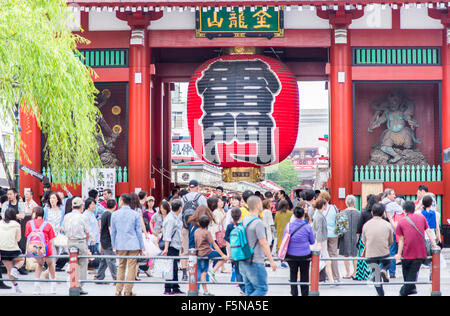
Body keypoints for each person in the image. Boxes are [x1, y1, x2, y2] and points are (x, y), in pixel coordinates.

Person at [395, 201, 439, 296]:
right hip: (420, 252)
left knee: (407, 273)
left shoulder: (401, 221)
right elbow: (429, 232)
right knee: (412, 274)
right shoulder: (421, 218)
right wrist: (434, 244)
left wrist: (399, 253)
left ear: (404, 210)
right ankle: (411, 289)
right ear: (414, 209)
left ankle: (403, 292)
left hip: (407, 252)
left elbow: (401, 240)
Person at [239, 196, 277, 296]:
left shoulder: (243, 220)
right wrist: (271, 260)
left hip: (243, 259)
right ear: (257, 205)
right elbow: (263, 243)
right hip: (255, 260)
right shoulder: (258, 223)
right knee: (262, 288)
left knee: (249, 289)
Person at [111, 193, 144, 296]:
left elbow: (113, 232)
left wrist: (114, 245)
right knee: (131, 267)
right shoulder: (135, 214)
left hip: (120, 243)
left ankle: (118, 290)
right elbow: (139, 231)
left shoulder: (115, 214)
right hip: (133, 243)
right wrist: (141, 246)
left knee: (121, 266)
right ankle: (127, 291)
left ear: (121, 201)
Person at [362, 203, 393, 296]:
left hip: (370, 254)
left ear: (372, 213)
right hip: (383, 252)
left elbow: (364, 241)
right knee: (388, 263)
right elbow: (391, 241)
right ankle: (384, 269)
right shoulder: (387, 225)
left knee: (375, 274)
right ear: (383, 213)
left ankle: (381, 294)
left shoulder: (366, 225)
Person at [283, 205, 315, 296]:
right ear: (303, 215)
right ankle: (304, 293)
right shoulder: (307, 227)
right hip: (304, 255)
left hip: (291, 255)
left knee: (293, 273)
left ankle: (294, 293)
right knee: (304, 274)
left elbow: (284, 240)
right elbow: (312, 242)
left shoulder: (288, 226)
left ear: (294, 215)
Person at [180, 180, 208, 281]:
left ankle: (184, 273)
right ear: (197, 187)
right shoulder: (200, 198)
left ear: (189, 187)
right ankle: (196, 270)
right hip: (197, 227)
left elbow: (180, 213)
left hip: (185, 226)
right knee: (197, 249)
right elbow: (205, 212)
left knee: (184, 250)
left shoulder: (183, 198)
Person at [25, 206, 57, 295]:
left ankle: (36, 285)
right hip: (46, 247)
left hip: (33, 248)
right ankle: (53, 285)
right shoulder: (47, 224)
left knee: (39, 264)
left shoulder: (29, 223)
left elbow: (27, 235)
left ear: (35, 213)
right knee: (50, 264)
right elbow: (51, 240)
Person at [62, 197, 90, 295]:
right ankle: (79, 286)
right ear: (81, 207)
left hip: (70, 241)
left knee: (73, 263)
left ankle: (72, 283)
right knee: (82, 264)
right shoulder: (83, 217)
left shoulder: (66, 216)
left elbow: (64, 229)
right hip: (80, 242)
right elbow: (87, 232)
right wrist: (86, 244)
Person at [195, 215, 228, 296]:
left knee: (203, 272)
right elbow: (214, 244)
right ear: (208, 224)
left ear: (199, 223)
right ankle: (213, 271)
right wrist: (223, 254)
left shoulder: (196, 231)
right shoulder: (207, 232)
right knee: (223, 258)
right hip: (207, 252)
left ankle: (205, 291)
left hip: (199, 253)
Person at [161, 199, 184, 295]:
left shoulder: (175, 217)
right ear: (180, 208)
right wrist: (166, 248)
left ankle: (175, 287)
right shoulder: (171, 219)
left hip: (175, 245)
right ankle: (168, 288)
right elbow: (168, 234)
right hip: (171, 246)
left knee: (174, 267)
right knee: (170, 267)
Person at [0, 208, 25, 293]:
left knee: (9, 269)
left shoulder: (0, 223)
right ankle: (16, 268)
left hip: (2, 249)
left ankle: (15, 286)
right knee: (22, 260)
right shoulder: (16, 224)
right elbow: (18, 238)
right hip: (13, 249)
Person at [317, 191, 340, 283]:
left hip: (323, 235)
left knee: (323, 255)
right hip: (334, 234)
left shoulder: (319, 210)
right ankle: (336, 277)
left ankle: (322, 277)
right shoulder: (334, 208)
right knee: (333, 255)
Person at [338, 195, 361, 279]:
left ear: (346, 203)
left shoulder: (342, 213)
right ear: (354, 202)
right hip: (356, 235)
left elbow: (340, 228)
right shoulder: (359, 213)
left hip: (345, 236)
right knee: (355, 255)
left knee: (346, 255)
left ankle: (347, 273)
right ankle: (355, 272)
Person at [311, 198, 334, 284]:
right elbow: (319, 231)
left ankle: (331, 280)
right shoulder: (320, 216)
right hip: (320, 242)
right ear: (323, 205)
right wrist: (319, 244)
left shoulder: (318, 215)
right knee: (327, 261)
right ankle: (331, 280)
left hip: (320, 242)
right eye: (326, 204)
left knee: (325, 262)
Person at [96, 199, 118, 283]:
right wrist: (113, 241)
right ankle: (116, 278)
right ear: (115, 206)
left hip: (103, 238)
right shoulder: (110, 215)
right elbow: (110, 228)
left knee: (104, 260)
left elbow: (101, 226)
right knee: (111, 260)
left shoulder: (104, 213)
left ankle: (99, 277)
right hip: (108, 240)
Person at [224, 207, 245, 295]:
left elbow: (227, 241)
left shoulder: (229, 226)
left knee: (237, 271)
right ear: (240, 215)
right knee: (246, 270)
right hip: (244, 252)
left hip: (235, 252)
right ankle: (247, 289)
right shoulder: (244, 225)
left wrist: (230, 253)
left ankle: (243, 289)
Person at [83, 198, 101, 263]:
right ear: (88, 205)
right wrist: (92, 236)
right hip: (90, 240)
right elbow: (87, 227)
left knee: (95, 256)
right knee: (92, 257)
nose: (94, 206)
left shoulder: (92, 213)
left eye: (94, 204)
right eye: (92, 204)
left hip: (95, 239)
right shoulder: (86, 214)